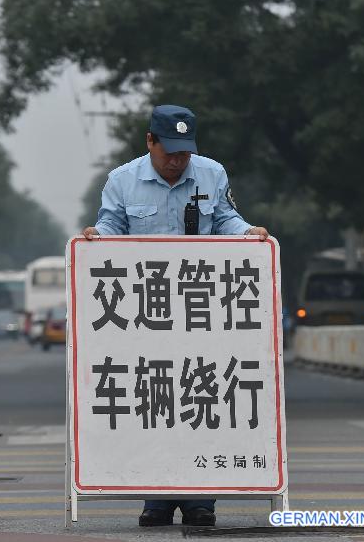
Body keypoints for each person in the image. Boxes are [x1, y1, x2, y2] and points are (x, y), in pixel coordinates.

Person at [82, 104, 269, 528]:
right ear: (150, 142)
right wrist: (96, 236)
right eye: (170, 152)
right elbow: (111, 227)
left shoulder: (212, 173)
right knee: (157, 402)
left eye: (184, 153)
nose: (178, 161)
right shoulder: (122, 181)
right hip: (147, 318)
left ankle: (202, 497)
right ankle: (158, 497)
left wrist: (247, 233)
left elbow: (225, 219)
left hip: (202, 316)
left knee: (201, 400)